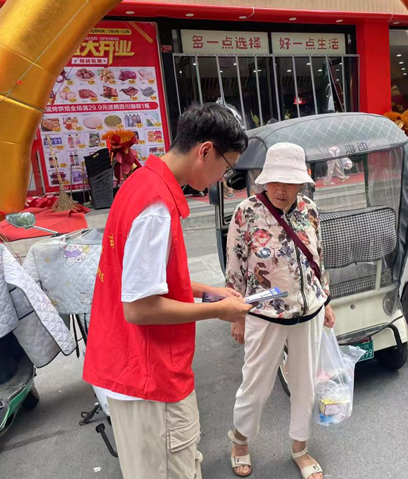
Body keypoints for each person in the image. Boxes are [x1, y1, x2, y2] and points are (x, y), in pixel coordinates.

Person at [83, 103, 254, 479]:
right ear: (205, 151)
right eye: (226, 167)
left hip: (132, 365)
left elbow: (148, 279)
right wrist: (218, 310)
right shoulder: (156, 207)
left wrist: (207, 291)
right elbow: (140, 307)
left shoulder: (141, 183)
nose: (222, 179)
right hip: (150, 377)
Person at [225, 142, 335, 479]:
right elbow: (234, 269)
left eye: (289, 182)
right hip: (264, 313)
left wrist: (326, 300)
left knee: (305, 385)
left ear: (301, 182)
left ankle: (300, 447)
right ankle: (240, 441)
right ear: (264, 178)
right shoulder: (246, 213)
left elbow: (318, 258)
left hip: (309, 311)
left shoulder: (309, 209)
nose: (281, 190)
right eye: (275, 181)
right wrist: (237, 316)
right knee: (255, 386)